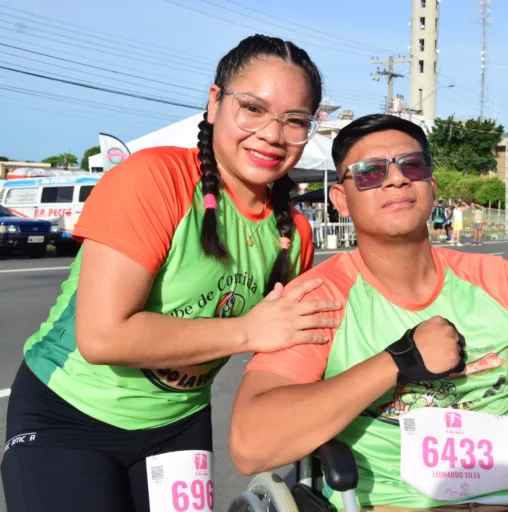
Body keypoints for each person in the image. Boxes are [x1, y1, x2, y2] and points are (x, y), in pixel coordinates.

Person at [230, 115, 508, 512]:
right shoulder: (318, 296)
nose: (395, 180)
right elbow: (251, 444)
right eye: (368, 173)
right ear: (341, 200)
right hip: (387, 506)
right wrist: (397, 361)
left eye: (412, 165)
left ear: (431, 184)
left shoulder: (499, 280)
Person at [1, 34, 341, 512]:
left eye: (294, 121)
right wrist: (248, 330)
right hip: (69, 417)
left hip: (178, 425)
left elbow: (293, 357)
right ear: (215, 102)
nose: (271, 133)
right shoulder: (153, 178)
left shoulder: (295, 233)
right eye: (253, 108)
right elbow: (103, 338)